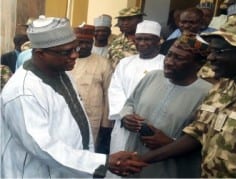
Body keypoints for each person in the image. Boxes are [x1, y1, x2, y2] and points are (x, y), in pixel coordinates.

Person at [140, 15, 236, 177]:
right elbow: (198, 132)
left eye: (219, 51)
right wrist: (141, 160)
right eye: (211, 51)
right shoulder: (223, 87)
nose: (210, 58)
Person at [1, 15, 147, 178]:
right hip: (35, 172)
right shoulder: (22, 92)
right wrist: (102, 162)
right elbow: (42, 147)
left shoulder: (63, 73)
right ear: (40, 53)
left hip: (68, 168)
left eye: (75, 48)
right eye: (66, 52)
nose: (74, 55)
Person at [120, 32, 212, 178]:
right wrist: (126, 117)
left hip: (171, 169)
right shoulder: (152, 76)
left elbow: (203, 139)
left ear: (198, 64)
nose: (169, 62)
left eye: (179, 58)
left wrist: (170, 142)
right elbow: (130, 102)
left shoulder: (208, 93)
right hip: (134, 160)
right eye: (169, 55)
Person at [107, 20, 164, 178]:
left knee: (145, 167)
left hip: (151, 124)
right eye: (139, 39)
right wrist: (125, 115)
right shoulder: (125, 63)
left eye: (148, 39)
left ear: (158, 41)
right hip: (125, 124)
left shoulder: (165, 63)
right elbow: (115, 89)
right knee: (119, 164)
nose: (142, 43)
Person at [70, 23, 113, 154]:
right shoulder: (66, 61)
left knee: (89, 151)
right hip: (69, 116)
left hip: (93, 117)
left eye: (88, 43)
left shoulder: (103, 63)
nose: (84, 46)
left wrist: (106, 125)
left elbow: (108, 95)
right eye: (80, 42)